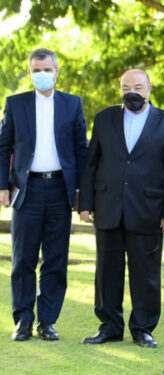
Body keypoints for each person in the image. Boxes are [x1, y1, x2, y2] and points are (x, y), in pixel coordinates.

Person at [78, 69, 164, 349]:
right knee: (106, 272)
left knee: (146, 274)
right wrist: (85, 204)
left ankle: (143, 329)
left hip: (148, 210)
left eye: (138, 86)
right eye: (126, 86)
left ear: (148, 89)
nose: (132, 91)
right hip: (107, 208)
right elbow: (91, 165)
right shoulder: (104, 119)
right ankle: (109, 326)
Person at [0, 48, 88, 341]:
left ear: (56, 71)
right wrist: (2, 186)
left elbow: (80, 151)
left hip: (61, 189)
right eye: (36, 70)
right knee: (23, 258)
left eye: (47, 70)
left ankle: (47, 321)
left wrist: (80, 191)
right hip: (27, 191)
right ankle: (23, 320)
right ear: (30, 73)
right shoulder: (15, 104)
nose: (42, 75)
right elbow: (3, 147)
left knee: (56, 259)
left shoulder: (72, 104)